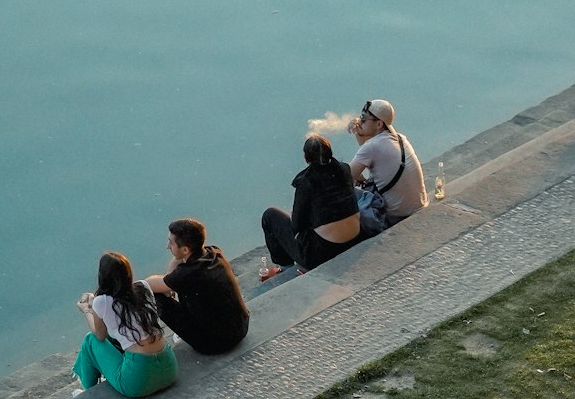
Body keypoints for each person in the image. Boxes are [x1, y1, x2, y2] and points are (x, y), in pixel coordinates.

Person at [73, 252, 178, 398]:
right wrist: (94, 302)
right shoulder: (143, 287)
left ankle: (88, 392)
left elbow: (100, 336)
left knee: (90, 341)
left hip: (137, 383)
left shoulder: (102, 302)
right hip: (169, 369)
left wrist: (87, 311)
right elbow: (121, 310)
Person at [143, 218, 250, 355]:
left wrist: (167, 285)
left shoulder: (187, 274)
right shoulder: (214, 252)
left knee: (153, 295)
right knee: (172, 287)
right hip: (241, 328)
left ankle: (148, 345)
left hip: (216, 344)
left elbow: (148, 284)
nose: (167, 246)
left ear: (186, 249)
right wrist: (169, 283)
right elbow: (178, 262)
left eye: (171, 242)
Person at [261, 135, 362, 274]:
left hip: (321, 254)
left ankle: (285, 267)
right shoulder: (344, 169)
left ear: (306, 158)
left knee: (269, 215)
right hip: (355, 239)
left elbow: (297, 225)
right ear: (330, 152)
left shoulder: (306, 182)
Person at [347, 98, 428, 224]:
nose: (359, 122)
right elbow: (368, 151)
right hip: (419, 206)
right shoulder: (401, 138)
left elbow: (346, 178)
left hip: (396, 216)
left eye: (363, 119)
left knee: (340, 190)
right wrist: (359, 133)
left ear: (379, 124)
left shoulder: (372, 147)